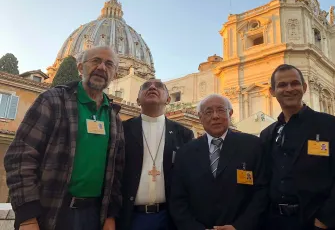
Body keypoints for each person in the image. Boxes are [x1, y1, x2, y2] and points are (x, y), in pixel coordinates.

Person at [4, 46, 125, 230]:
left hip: (94, 215)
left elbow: (116, 171)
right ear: (79, 67)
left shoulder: (114, 116)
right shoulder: (52, 100)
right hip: (52, 211)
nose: (102, 67)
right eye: (95, 61)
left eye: (109, 64)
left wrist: (110, 216)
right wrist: (28, 216)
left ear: (115, 74)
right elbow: (20, 157)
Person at [260, 64, 335, 230]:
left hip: (315, 222)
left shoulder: (330, 125)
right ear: (272, 92)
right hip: (274, 222)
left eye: (294, 83)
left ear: (304, 87)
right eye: (282, 85)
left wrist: (325, 219)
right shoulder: (267, 133)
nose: (289, 89)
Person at [170, 94, 267, 230]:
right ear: (200, 117)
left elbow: (261, 192)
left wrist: (239, 226)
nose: (215, 116)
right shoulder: (185, 153)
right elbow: (177, 199)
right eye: (208, 112)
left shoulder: (252, 146)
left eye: (221, 110)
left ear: (230, 113)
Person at [118, 79, 194, 230]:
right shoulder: (121, 130)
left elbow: (189, 178)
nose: (152, 87)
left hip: (169, 218)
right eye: (146, 86)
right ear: (138, 100)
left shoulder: (184, 134)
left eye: (159, 86)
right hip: (130, 217)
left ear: (168, 99)